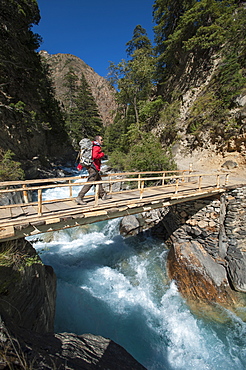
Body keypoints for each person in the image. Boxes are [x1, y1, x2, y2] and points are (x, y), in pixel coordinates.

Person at [75, 135, 112, 205]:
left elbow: (85, 157)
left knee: (99, 181)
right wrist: (102, 154)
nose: (102, 141)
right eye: (101, 140)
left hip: (91, 167)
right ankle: (79, 197)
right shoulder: (96, 147)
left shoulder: (91, 146)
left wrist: (80, 166)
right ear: (97, 140)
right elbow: (94, 156)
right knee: (90, 182)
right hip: (93, 168)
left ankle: (103, 195)